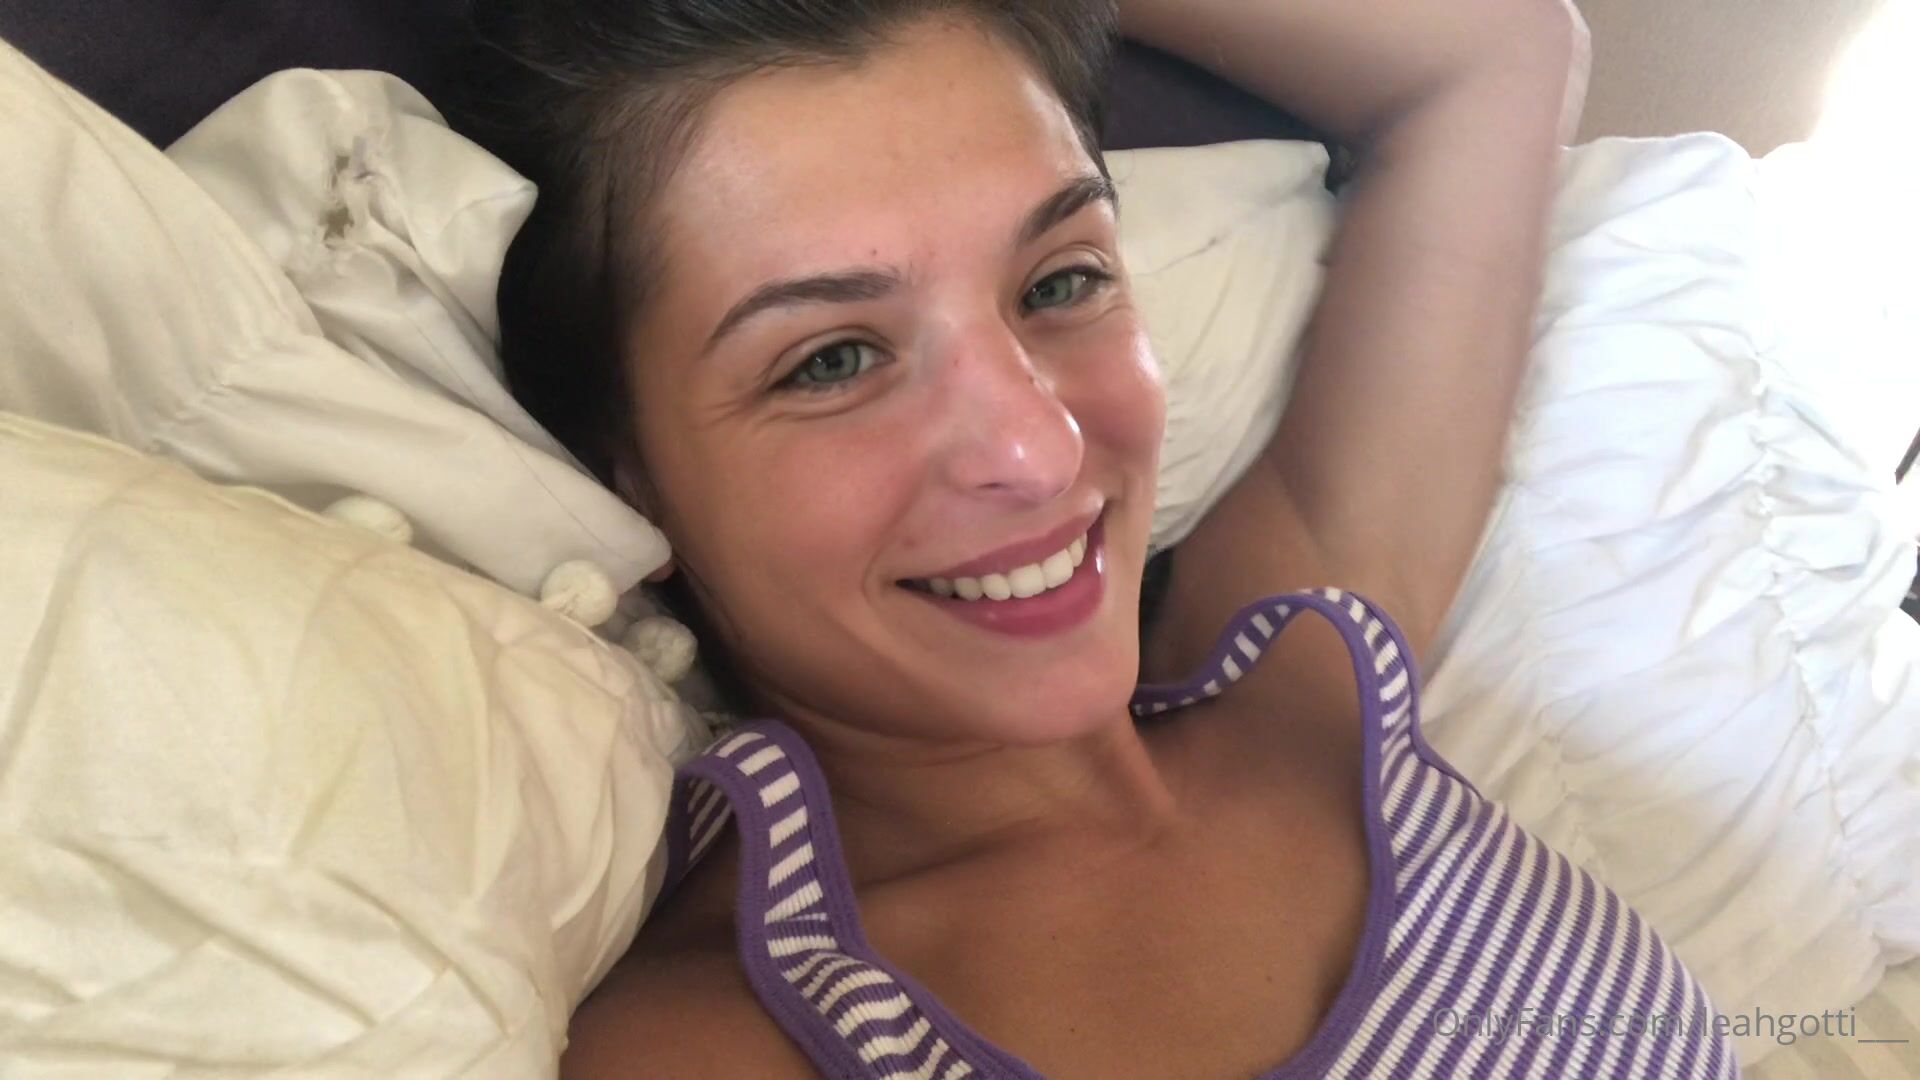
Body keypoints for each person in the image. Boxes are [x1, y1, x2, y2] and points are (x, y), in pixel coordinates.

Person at [465, 1, 1740, 1075]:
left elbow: (1503, 49)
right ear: (628, 486)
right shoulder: (733, 1040)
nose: (1039, 448)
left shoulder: (1305, 668)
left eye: (1061, 282)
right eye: (832, 360)